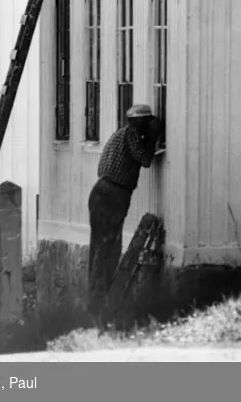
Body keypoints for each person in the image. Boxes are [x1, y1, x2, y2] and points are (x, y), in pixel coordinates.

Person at [87, 103, 161, 324]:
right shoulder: (131, 135)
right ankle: (101, 304)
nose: (149, 126)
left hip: (101, 192)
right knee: (109, 249)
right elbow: (146, 159)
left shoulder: (119, 134)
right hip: (113, 195)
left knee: (100, 249)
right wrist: (154, 137)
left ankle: (96, 301)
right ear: (140, 122)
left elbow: (102, 167)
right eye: (147, 122)